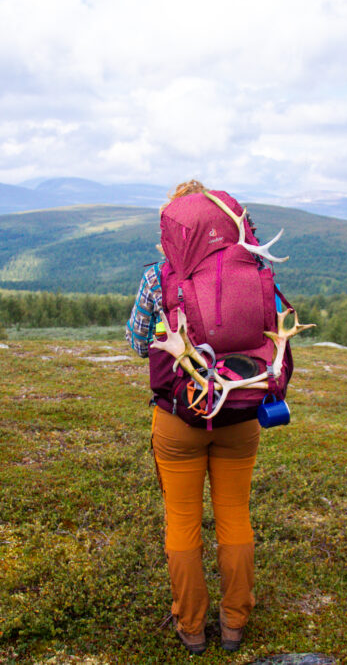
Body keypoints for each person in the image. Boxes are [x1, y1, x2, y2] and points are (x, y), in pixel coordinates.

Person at [126, 180, 260, 655]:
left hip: (178, 418)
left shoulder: (157, 277)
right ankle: (234, 623)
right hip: (240, 414)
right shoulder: (252, 268)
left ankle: (192, 626)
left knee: (182, 519)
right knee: (235, 516)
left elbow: (140, 341)